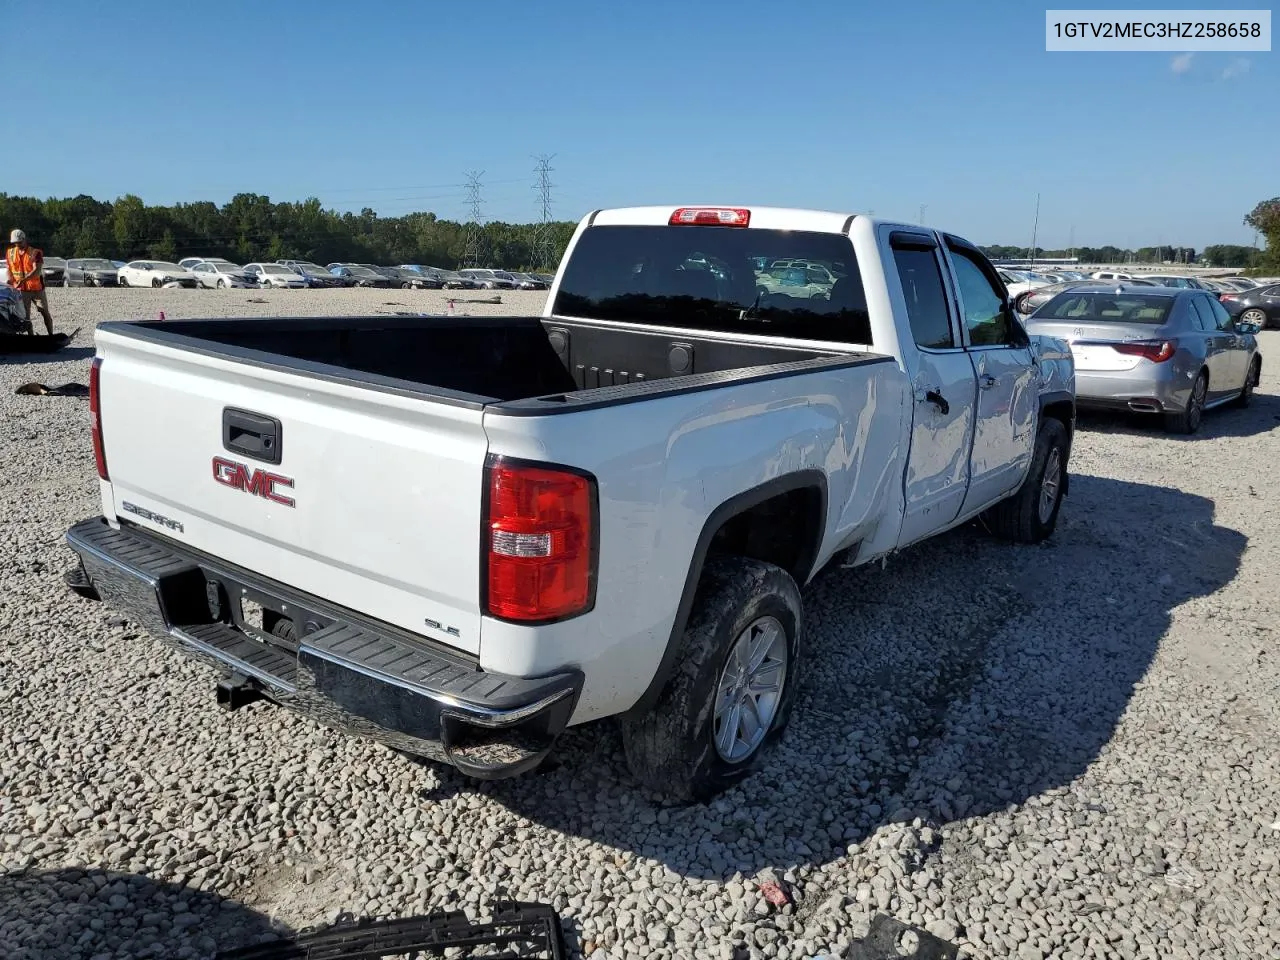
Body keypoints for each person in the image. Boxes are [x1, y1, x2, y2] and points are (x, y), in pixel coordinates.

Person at [5, 229, 54, 335]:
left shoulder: (35, 253)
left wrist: (22, 280)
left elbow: (36, 271)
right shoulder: (10, 253)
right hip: (21, 291)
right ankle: (31, 337)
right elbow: (9, 268)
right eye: (15, 243)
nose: (17, 244)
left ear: (24, 239)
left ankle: (51, 335)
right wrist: (11, 281)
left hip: (37, 289)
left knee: (44, 311)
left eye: (20, 242)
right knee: (25, 317)